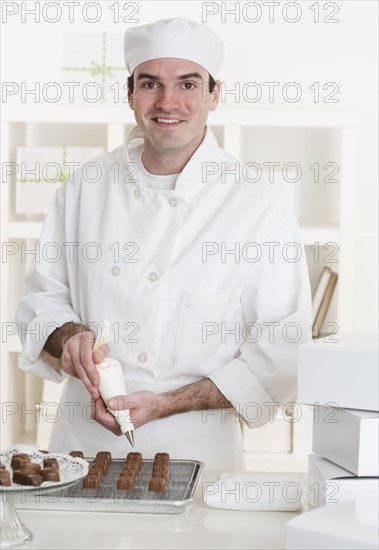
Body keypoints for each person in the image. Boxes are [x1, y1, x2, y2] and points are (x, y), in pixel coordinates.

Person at [16, 18, 312, 470]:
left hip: (196, 456)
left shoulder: (259, 206)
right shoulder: (84, 188)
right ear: (129, 93)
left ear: (214, 94)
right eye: (150, 84)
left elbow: (284, 350)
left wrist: (168, 403)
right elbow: (42, 302)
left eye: (188, 84)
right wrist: (69, 336)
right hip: (82, 449)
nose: (168, 102)